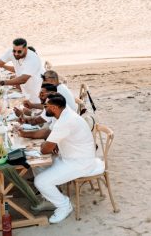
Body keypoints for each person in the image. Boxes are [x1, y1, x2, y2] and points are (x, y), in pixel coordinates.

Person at [32, 93, 103, 223]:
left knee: (40, 181)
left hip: (80, 163)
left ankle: (64, 206)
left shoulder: (65, 121)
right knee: (38, 166)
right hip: (70, 156)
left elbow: (44, 149)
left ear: (53, 108)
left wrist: (46, 145)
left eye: (45, 106)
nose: (44, 109)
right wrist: (53, 144)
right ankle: (50, 198)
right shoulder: (65, 112)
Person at [0, 38, 43, 103]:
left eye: (19, 51)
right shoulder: (11, 52)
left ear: (25, 49)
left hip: (37, 95)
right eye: (14, 51)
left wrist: (1, 82)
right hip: (26, 93)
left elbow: (23, 79)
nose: (16, 53)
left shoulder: (33, 58)